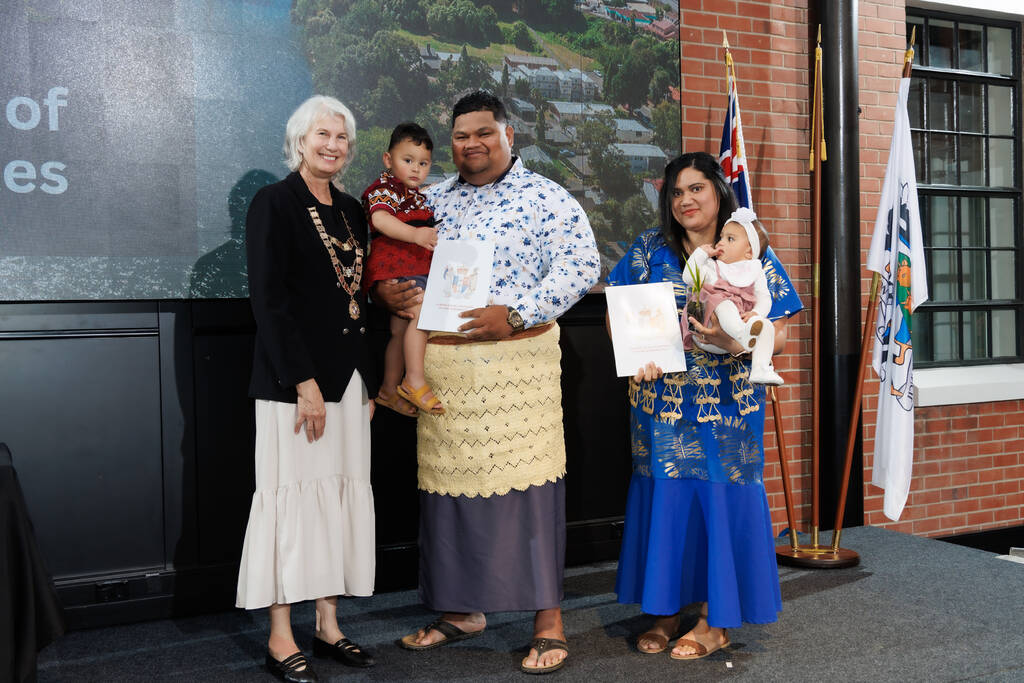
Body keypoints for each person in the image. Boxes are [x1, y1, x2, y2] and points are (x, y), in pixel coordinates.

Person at [375, 90, 600, 675]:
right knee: (448, 501)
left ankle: (548, 622)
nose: (470, 144)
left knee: (529, 496)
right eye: (460, 135)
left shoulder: (547, 196)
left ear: (508, 135)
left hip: (515, 369)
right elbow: (390, 256)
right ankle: (461, 610)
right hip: (442, 371)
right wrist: (387, 291)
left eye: (483, 133)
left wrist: (517, 312)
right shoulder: (428, 198)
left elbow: (581, 266)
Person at [606, 152, 802, 661]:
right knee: (668, 500)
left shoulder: (750, 249)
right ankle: (667, 611)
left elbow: (783, 326)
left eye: (696, 188)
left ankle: (715, 621)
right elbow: (617, 317)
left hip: (728, 405)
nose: (685, 200)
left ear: (718, 192)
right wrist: (637, 356)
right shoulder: (649, 249)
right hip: (662, 404)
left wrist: (743, 345)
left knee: (720, 502)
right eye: (675, 192)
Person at [236, 95, 378, 683]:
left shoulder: (351, 209)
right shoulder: (273, 202)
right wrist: (305, 383)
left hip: (349, 384)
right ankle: (278, 636)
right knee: (290, 504)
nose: (334, 145)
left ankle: (329, 626)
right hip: (294, 386)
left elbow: (358, 298)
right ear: (299, 140)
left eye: (342, 137)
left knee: (337, 504)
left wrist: (366, 382)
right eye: (323, 134)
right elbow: (269, 303)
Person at [361, 123, 441, 416]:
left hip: (410, 265)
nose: (416, 169)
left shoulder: (416, 194)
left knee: (400, 330)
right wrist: (417, 235)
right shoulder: (385, 189)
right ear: (388, 160)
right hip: (397, 264)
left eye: (423, 163)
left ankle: (388, 389)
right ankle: (414, 380)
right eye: (408, 161)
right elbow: (381, 220)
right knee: (420, 315)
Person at [681, 206, 784, 385]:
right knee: (724, 303)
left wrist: (757, 314)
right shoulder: (714, 268)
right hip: (707, 329)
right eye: (721, 237)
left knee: (766, 326)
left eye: (730, 239)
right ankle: (742, 334)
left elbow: (764, 297)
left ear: (749, 252)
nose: (720, 242)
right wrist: (700, 254)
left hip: (737, 334)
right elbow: (689, 277)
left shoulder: (755, 270)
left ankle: (760, 369)